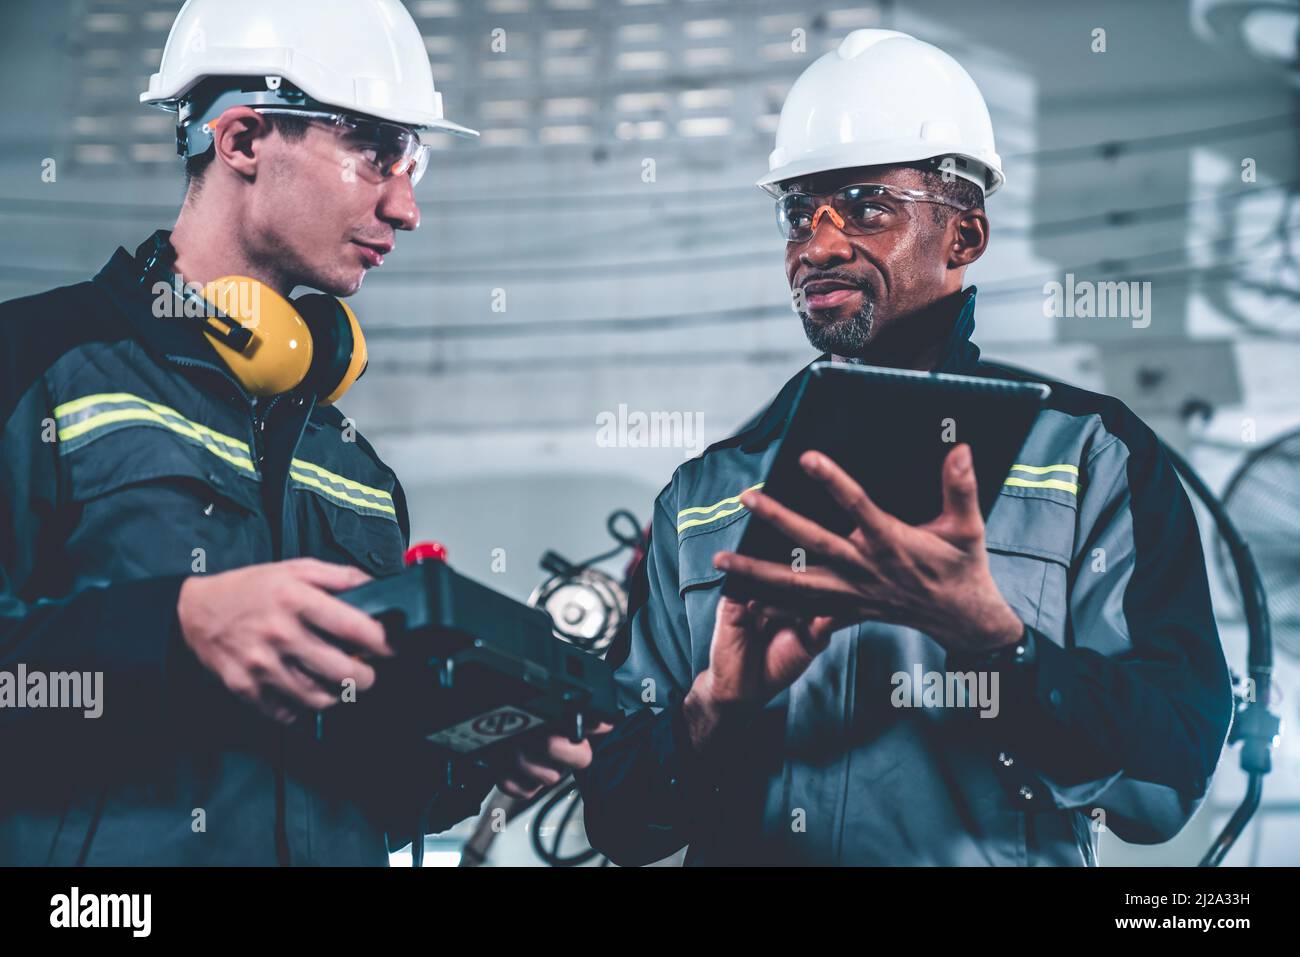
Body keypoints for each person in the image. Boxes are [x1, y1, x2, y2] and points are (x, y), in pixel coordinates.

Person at [576, 29, 1234, 866]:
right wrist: (714, 709)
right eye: (797, 212)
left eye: (865, 206)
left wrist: (1004, 653)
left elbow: (1167, 781)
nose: (815, 245)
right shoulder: (706, 496)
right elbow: (620, 825)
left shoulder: (1088, 458)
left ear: (964, 236)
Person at [0, 0, 591, 866]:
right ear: (240, 141)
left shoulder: (351, 464)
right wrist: (176, 631)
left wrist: (480, 751)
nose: (407, 206)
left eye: (413, 160)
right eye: (375, 153)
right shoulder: (32, 361)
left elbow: (380, 794)